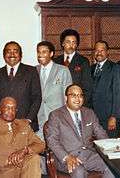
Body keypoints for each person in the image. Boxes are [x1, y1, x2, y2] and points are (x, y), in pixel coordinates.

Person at [45, 84, 114, 178]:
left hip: (90, 155)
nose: (78, 98)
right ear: (66, 98)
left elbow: (100, 133)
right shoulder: (56, 115)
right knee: (79, 172)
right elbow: (52, 141)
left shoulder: (89, 113)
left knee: (112, 167)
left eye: (80, 95)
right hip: (68, 157)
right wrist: (66, 157)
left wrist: (110, 147)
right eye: (73, 95)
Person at [0, 97, 45, 178]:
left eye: (13, 108)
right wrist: (8, 160)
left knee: (34, 158)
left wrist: (25, 150)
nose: (11, 111)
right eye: (7, 108)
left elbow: (40, 145)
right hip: (3, 170)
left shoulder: (23, 125)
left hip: (26, 168)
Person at [36, 41, 72, 175]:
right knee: (41, 157)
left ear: (51, 54)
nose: (40, 55)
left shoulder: (63, 70)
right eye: (39, 52)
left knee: (56, 154)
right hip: (39, 119)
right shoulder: (34, 70)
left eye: (44, 52)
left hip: (57, 119)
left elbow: (68, 97)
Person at [0, 41, 42, 131]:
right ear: (4, 55)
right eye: (8, 51)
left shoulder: (31, 71)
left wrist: (29, 119)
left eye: (15, 51)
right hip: (3, 125)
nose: (12, 54)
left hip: (26, 124)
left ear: (21, 55)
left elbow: (37, 98)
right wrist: (0, 118)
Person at [91, 40, 120, 137]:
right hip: (93, 117)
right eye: (97, 50)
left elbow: (117, 94)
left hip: (108, 117)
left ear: (107, 52)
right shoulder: (91, 68)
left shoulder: (114, 68)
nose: (99, 53)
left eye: (102, 50)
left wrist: (114, 117)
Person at [54, 29, 92, 107]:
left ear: (77, 44)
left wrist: (80, 105)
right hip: (58, 105)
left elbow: (87, 88)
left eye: (74, 42)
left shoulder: (83, 61)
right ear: (62, 43)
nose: (71, 45)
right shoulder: (55, 61)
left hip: (77, 104)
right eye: (68, 42)